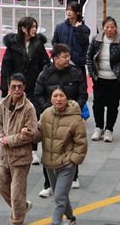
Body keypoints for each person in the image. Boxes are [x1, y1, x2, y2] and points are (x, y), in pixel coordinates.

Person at [34, 43, 88, 197]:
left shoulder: (75, 73)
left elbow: (82, 94)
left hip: (70, 119)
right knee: (49, 148)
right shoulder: (45, 74)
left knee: (71, 146)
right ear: (56, 59)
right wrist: (46, 110)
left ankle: (73, 176)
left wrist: (74, 110)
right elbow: (38, 94)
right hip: (51, 119)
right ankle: (48, 183)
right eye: (65, 57)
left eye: (68, 56)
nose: (68, 59)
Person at [38, 86, 87, 223]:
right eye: (55, 96)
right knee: (62, 195)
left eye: (61, 96)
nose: (58, 99)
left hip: (66, 164)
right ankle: (71, 218)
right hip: (49, 164)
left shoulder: (75, 118)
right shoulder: (46, 114)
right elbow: (39, 134)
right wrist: (30, 132)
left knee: (59, 198)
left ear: (67, 98)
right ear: (50, 99)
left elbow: (81, 143)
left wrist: (73, 161)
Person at [0, 72, 40, 224]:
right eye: (13, 87)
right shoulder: (3, 105)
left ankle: (17, 221)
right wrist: (0, 137)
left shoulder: (29, 108)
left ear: (24, 88)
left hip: (20, 158)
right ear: (8, 87)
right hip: (4, 156)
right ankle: (23, 207)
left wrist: (10, 140)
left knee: (17, 195)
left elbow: (32, 133)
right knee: (2, 188)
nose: (16, 90)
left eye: (19, 87)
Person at [86, 16, 120, 142]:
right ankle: (99, 127)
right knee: (97, 105)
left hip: (115, 80)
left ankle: (109, 130)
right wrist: (92, 73)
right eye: (107, 27)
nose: (110, 30)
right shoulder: (96, 39)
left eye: (112, 27)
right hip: (99, 78)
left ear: (116, 28)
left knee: (112, 106)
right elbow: (89, 57)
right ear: (103, 28)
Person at [1, 16, 51, 99]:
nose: (34, 29)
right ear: (23, 29)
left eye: (35, 27)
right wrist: (4, 90)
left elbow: (45, 65)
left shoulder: (39, 44)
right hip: (18, 87)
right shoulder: (12, 45)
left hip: (35, 86)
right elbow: (6, 68)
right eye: (32, 27)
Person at [52, 2, 90, 71]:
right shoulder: (60, 27)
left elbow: (84, 42)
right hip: (62, 63)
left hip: (78, 63)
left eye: (71, 10)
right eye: (67, 10)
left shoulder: (84, 29)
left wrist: (79, 29)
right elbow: (54, 42)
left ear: (77, 12)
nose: (69, 12)